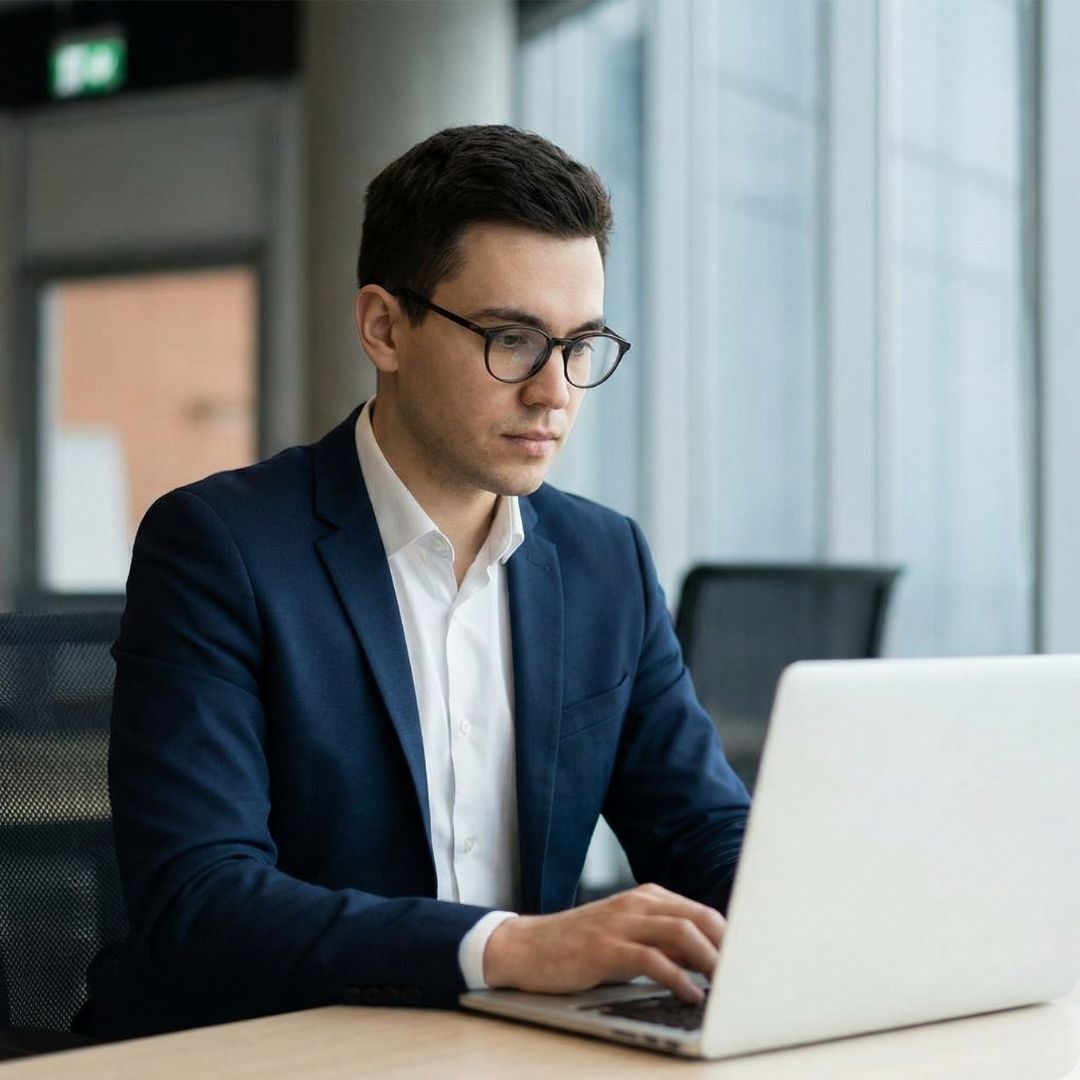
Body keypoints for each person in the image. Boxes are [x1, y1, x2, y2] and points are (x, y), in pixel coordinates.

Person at [83, 125, 750, 1040]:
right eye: (514, 339)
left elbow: (704, 831)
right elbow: (202, 900)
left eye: (580, 344)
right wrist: (507, 949)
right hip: (268, 1046)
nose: (555, 391)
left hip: (510, 1049)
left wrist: (826, 912)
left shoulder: (606, 562)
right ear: (385, 327)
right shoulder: (220, 547)